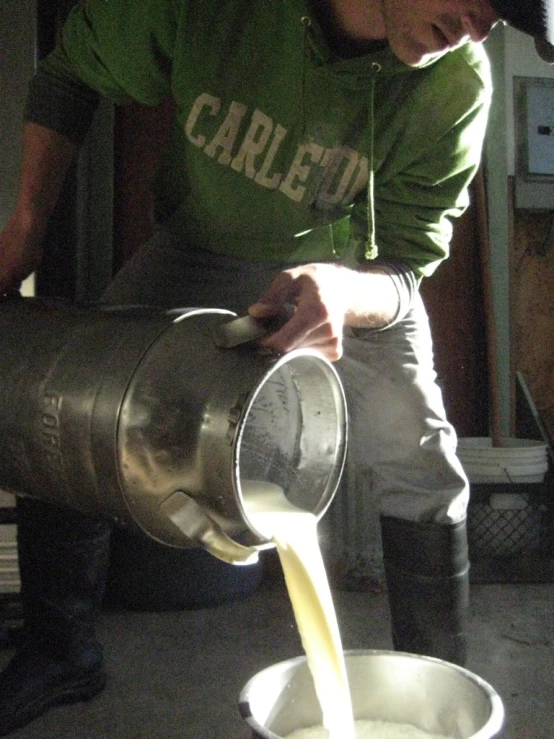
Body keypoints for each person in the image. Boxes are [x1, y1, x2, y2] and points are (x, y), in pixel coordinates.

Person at [0, 0, 552, 734]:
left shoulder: (456, 84)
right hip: (201, 243)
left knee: (419, 458)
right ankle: (60, 650)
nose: (478, 27)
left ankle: (436, 693)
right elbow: (71, 70)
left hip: (349, 273)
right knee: (73, 401)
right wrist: (27, 229)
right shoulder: (223, 11)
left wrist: (346, 291)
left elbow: (409, 263)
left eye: (500, 18)